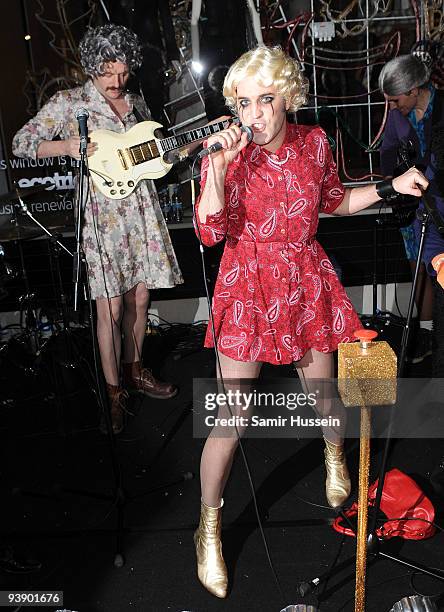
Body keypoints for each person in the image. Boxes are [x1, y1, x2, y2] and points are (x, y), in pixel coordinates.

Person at [193, 45, 428, 598]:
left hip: (302, 281)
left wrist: (390, 188)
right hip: (248, 284)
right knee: (232, 418)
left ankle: (331, 454)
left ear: (287, 99)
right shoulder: (224, 157)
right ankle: (208, 531)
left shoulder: (314, 143)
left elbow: (334, 202)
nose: (254, 115)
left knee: (324, 394)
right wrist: (219, 169)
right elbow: (208, 231)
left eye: (266, 101)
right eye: (244, 103)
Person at [12, 24, 183, 433]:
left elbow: (155, 155)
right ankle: (112, 393)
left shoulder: (136, 101)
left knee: (141, 298)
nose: (116, 81)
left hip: (141, 208)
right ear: (92, 67)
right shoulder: (70, 103)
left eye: (123, 72)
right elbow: (22, 143)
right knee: (111, 307)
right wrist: (65, 147)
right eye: (108, 72)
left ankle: (136, 370)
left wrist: (178, 150)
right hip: (102, 216)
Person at [379, 54, 444, 369]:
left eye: (396, 99)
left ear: (416, 89)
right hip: (413, 207)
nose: (392, 106)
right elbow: (387, 153)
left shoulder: (441, 110)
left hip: (440, 202)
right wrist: (393, 182)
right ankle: (429, 335)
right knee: (419, 269)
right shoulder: (397, 118)